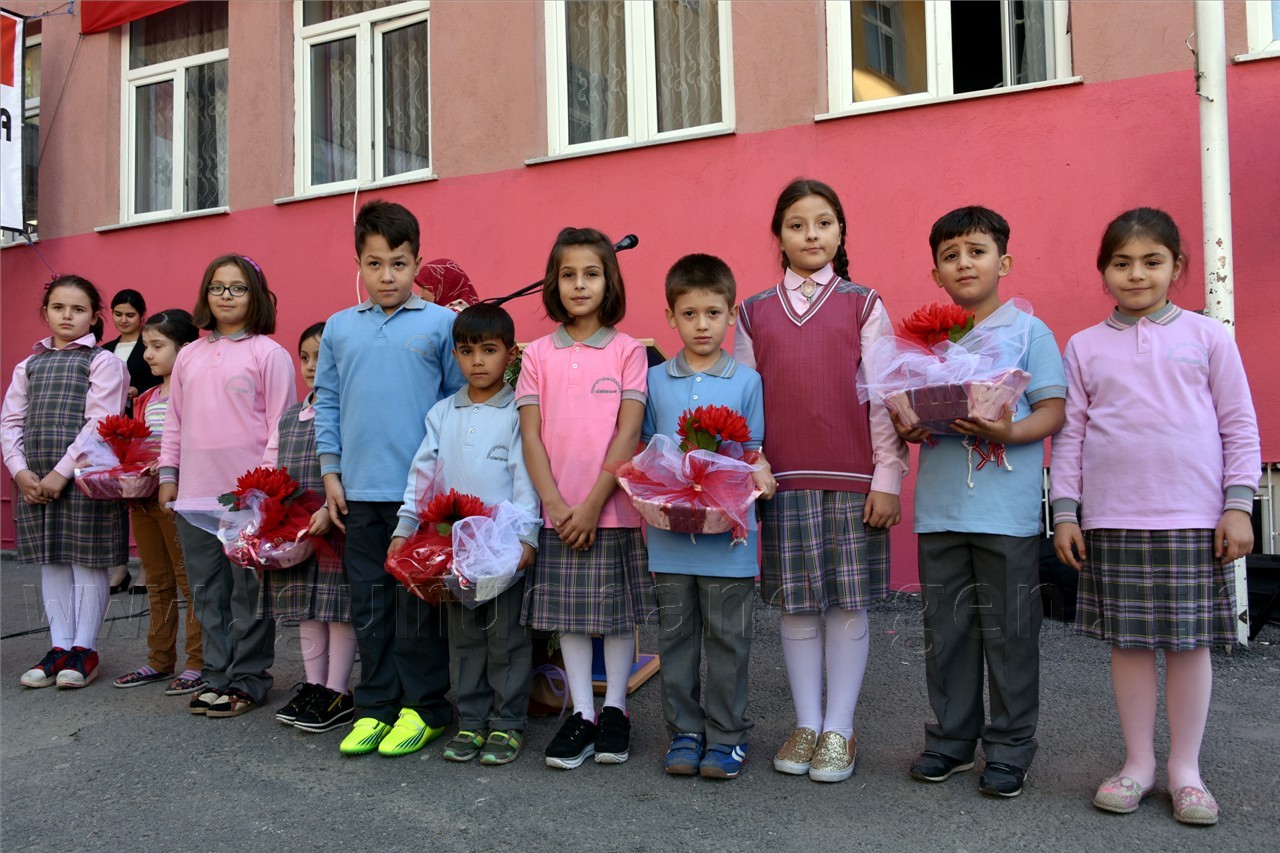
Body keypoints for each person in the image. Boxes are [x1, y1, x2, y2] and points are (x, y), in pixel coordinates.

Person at [1051, 208, 1260, 826]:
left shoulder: (1208, 336)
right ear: (1104, 270)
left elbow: (1239, 424)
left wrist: (1238, 505)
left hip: (1193, 517)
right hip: (1113, 519)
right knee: (1131, 644)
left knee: (1190, 646)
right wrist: (1066, 513)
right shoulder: (1084, 346)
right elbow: (1071, 436)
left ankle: (1185, 771)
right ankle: (1138, 764)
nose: (1136, 274)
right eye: (1122, 263)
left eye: (1151, 261)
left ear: (1177, 267)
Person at [734, 178, 908, 783]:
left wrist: (887, 476)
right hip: (781, 481)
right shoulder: (753, 311)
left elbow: (883, 394)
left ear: (841, 232)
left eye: (824, 222)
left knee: (847, 605)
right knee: (798, 606)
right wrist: (752, 462)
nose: (811, 234)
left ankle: (840, 727)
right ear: (779, 236)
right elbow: (744, 400)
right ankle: (807, 722)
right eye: (797, 224)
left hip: (854, 478)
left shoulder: (864, 303)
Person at [892, 207, 1066, 798]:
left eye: (977, 251)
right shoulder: (926, 339)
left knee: (1010, 634)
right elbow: (905, 407)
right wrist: (910, 424)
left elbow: (1052, 410)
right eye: (950, 256)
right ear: (936, 273)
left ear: (1004, 262)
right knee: (947, 632)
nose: (964, 263)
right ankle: (951, 741)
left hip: (1006, 514)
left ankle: (1011, 748)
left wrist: (1008, 432)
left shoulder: (1029, 332)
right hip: (940, 510)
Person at [314, 199, 464, 757]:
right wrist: (331, 471)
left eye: (399, 264)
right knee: (370, 602)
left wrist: (446, 486)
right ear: (358, 263)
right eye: (374, 264)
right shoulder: (339, 328)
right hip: (358, 493)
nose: (387, 276)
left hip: (421, 499)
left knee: (417, 604)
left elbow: (456, 405)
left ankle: (424, 707)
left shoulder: (441, 324)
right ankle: (375, 706)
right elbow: (327, 402)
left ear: (417, 263)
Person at [516, 226, 655, 769]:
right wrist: (555, 505)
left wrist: (595, 502)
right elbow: (530, 435)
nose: (579, 285)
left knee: (615, 615)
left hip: (610, 507)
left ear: (609, 281)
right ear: (553, 283)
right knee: (570, 617)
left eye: (591, 274)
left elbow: (628, 431)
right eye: (568, 275)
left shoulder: (627, 351)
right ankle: (582, 713)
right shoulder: (537, 355)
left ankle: (615, 709)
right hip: (558, 513)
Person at [645, 254, 776, 780]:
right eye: (689, 314)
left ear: (731, 315)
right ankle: (683, 731)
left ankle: (726, 736)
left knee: (728, 640)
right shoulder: (654, 380)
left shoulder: (747, 381)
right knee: (676, 638)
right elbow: (647, 451)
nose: (702, 325)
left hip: (730, 539)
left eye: (714, 313)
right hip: (669, 536)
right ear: (671, 317)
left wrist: (760, 470)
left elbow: (752, 448)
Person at [390, 303, 539, 765]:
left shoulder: (518, 412)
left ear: (510, 354)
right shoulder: (442, 414)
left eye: (489, 350)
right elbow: (422, 475)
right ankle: (472, 721)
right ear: (455, 355)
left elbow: (526, 477)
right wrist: (406, 526)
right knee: (465, 638)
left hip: (503, 547)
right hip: (454, 547)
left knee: (506, 637)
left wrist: (527, 538)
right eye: (467, 351)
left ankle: (508, 723)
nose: (477, 361)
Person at [157, 255, 296, 718]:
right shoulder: (189, 355)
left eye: (238, 288)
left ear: (255, 296)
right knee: (207, 592)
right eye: (218, 287)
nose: (226, 296)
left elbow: (281, 427)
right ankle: (215, 675)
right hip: (195, 495)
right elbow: (174, 422)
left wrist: (266, 492)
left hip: (248, 500)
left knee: (247, 593)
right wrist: (169, 475)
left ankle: (248, 679)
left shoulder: (268, 354)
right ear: (206, 294)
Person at [5, 275, 129, 689]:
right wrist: (20, 471)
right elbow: (11, 421)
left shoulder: (104, 363)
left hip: (82, 477)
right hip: (34, 477)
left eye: (78, 309)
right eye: (58, 308)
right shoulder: (28, 365)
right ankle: (59, 647)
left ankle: (84, 649)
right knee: (52, 559)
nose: (67, 316)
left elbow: (100, 423)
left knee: (86, 559)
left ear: (94, 317)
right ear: (45, 313)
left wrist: (61, 473)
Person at [260, 322, 356, 735]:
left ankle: (338, 691)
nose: (312, 365)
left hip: (334, 527)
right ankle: (315, 684)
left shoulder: (349, 412)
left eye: (322, 357)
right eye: (305, 357)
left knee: (337, 610)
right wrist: (264, 510)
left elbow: (355, 466)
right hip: (296, 535)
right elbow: (269, 467)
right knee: (305, 609)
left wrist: (330, 509)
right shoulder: (288, 419)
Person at [112, 309, 206, 696]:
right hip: (143, 500)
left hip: (178, 498)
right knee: (158, 582)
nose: (147, 354)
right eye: (145, 346)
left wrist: (168, 468)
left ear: (185, 349)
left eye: (157, 346)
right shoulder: (147, 397)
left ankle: (199, 662)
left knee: (190, 581)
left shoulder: (195, 395)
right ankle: (159, 659)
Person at [104, 288, 159, 593]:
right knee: (113, 500)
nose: (123, 320)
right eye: (118, 314)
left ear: (142, 316)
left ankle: (147, 567)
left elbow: (161, 379)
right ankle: (119, 566)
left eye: (130, 314)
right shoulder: (105, 349)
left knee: (141, 496)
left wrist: (138, 390)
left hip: (142, 429)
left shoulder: (150, 346)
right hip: (111, 432)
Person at [415, 258, 481, 312]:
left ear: (444, 287)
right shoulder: (475, 315)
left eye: (424, 288)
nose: (420, 295)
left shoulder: (453, 318)